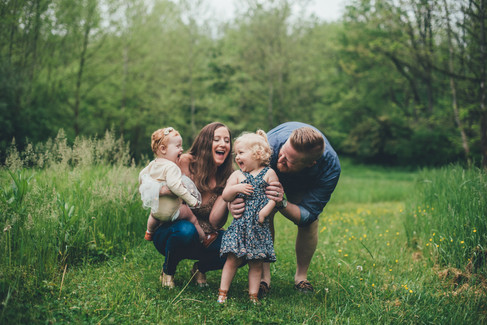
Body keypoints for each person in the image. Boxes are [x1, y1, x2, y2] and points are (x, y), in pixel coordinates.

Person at [230, 122, 341, 296]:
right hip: (267, 175)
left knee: (310, 224)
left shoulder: (330, 167)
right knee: (261, 215)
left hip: (305, 183)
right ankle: (264, 279)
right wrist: (233, 202)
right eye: (282, 153)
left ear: (311, 163)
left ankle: (301, 278)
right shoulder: (270, 145)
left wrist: (281, 202)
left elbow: (308, 215)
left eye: (289, 160)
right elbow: (241, 173)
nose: (281, 160)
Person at [151, 122, 234, 288]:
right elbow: (152, 182)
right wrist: (166, 191)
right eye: (216, 139)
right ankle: (168, 271)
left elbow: (216, 222)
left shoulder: (228, 176)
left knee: (239, 246)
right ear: (204, 143)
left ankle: (200, 268)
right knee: (186, 230)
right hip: (171, 230)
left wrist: (227, 193)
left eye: (227, 140)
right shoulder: (184, 162)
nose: (223, 144)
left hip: (206, 236)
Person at [217, 130, 279, 304]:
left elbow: (275, 197)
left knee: (256, 263)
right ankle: (223, 293)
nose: (237, 157)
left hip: (259, 227)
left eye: (241, 153)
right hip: (240, 226)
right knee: (232, 260)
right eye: (236, 154)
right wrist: (237, 189)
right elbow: (225, 195)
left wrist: (265, 211)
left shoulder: (269, 173)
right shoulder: (237, 175)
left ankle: (253, 296)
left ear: (257, 154)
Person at [139, 127, 217, 248]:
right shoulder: (171, 167)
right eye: (178, 146)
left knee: (152, 214)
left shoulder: (152, 164)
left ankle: (149, 232)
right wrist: (192, 200)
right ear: (163, 149)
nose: (182, 149)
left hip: (157, 212)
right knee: (191, 217)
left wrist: (144, 187)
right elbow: (175, 186)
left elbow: (142, 176)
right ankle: (204, 239)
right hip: (172, 211)